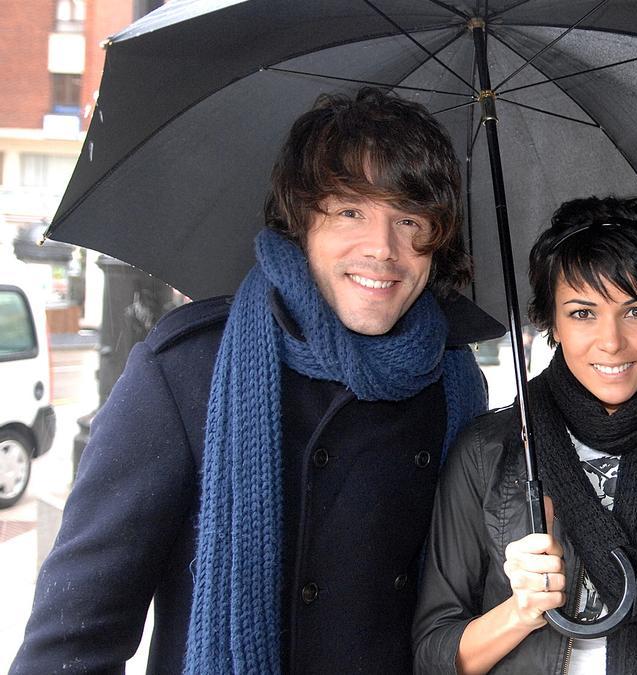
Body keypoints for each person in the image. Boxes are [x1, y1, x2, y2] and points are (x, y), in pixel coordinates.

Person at [11, 87, 502, 673]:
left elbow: (457, 609)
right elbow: (74, 639)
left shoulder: (454, 382)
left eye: (409, 218)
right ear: (300, 222)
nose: (383, 248)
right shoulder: (188, 369)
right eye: (350, 210)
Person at [413, 196, 637, 674]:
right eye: (582, 313)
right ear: (551, 323)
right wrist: (520, 612)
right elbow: (433, 655)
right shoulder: (490, 450)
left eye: (636, 310)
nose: (611, 340)